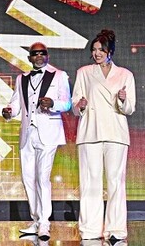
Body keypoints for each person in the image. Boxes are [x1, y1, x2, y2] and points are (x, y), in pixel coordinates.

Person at [2, 42, 71, 240]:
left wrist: (53, 103)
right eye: (35, 53)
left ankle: (44, 223)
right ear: (29, 57)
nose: (39, 56)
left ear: (47, 55)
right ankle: (35, 219)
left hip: (48, 133)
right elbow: (16, 103)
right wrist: (9, 111)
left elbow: (67, 103)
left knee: (42, 177)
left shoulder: (59, 75)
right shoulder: (21, 78)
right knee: (28, 178)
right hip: (28, 134)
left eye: (42, 53)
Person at [72, 29, 135, 242]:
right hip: (90, 131)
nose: (97, 53)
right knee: (90, 182)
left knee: (116, 181)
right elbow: (75, 104)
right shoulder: (84, 72)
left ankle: (116, 229)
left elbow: (130, 108)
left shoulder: (125, 74)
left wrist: (123, 100)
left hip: (116, 132)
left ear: (110, 51)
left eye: (101, 50)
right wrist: (80, 105)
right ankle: (90, 229)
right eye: (94, 50)